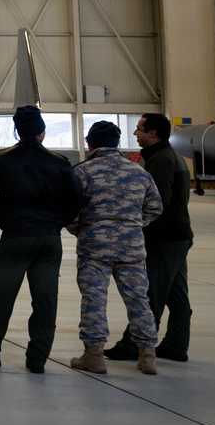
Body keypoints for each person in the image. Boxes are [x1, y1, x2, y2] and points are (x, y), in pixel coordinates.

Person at [0, 105, 81, 374]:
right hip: (49, 239)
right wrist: (56, 223)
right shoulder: (59, 162)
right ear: (42, 132)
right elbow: (75, 200)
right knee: (45, 299)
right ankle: (37, 358)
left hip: (15, 236)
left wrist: (0, 219)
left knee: (2, 297)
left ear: (17, 130)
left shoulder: (0, 160)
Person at [68, 121, 162, 375]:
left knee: (94, 299)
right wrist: (132, 225)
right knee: (138, 300)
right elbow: (155, 207)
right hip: (131, 246)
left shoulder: (82, 172)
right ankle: (147, 356)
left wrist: (83, 229)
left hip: (94, 246)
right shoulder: (139, 172)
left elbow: (69, 210)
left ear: (90, 143)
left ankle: (94, 355)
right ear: (117, 143)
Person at [105, 112, 193, 364]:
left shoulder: (160, 161)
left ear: (153, 133)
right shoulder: (169, 156)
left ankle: (134, 344)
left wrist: (137, 228)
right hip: (177, 236)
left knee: (151, 292)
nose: (136, 133)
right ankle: (176, 344)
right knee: (176, 295)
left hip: (164, 238)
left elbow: (156, 203)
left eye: (140, 129)